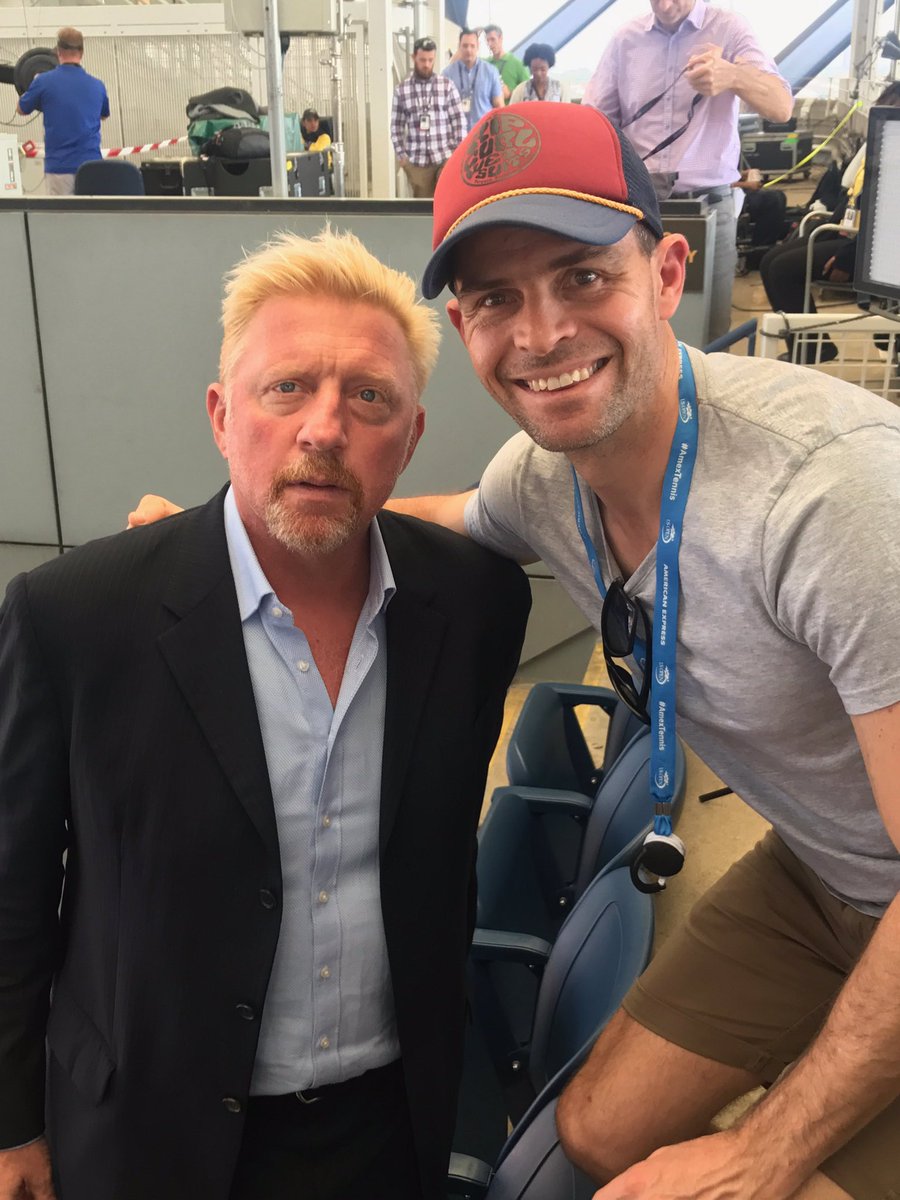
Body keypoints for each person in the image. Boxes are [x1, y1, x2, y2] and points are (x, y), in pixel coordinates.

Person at [381, 100, 898, 1200]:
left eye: (581, 277)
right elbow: (448, 516)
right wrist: (238, 522)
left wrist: (766, 1153)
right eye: (494, 300)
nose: (541, 335)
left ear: (667, 274)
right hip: (825, 875)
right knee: (602, 1136)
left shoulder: (828, 497)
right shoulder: (540, 479)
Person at [0, 229, 530, 1200]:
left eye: (368, 396)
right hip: (144, 1133)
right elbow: (12, 892)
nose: (324, 428)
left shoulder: (477, 605)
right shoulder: (76, 617)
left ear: (409, 437)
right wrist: (10, 1125)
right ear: (221, 414)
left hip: (387, 1124)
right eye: (286, 387)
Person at [583, 0, 792, 343]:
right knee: (634, 322)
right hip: (640, 207)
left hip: (710, 207)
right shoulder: (625, 40)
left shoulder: (729, 28)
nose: (664, 4)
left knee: (710, 331)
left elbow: (781, 106)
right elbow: (595, 125)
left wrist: (733, 75)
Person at [759, 81, 900, 364]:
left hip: (873, 249)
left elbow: (889, 225)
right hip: (851, 234)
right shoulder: (879, 152)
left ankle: (812, 349)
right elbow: (853, 201)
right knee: (769, 260)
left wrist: (846, 258)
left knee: (784, 270)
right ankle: (811, 346)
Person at [16, 27, 109, 196]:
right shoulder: (98, 85)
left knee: (62, 219)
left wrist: (38, 91)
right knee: (93, 218)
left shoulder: (43, 82)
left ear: (58, 51)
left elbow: (21, 109)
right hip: (93, 168)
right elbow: (104, 115)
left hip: (60, 169)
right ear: (81, 52)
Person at [391, 37, 465, 198]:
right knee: (424, 211)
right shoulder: (402, 91)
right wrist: (402, 158)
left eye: (430, 60)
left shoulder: (446, 86)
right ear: (414, 58)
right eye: (422, 60)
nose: (426, 64)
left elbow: (458, 120)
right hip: (417, 163)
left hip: (444, 158)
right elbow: (396, 127)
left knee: (446, 202)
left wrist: (456, 152)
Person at [443, 29, 503, 132]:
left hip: (484, 134)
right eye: (465, 46)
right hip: (457, 136)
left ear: (478, 46)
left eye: (472, 46)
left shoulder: (491, 72)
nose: (469, 50)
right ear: (459, 46)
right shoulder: (447, 74)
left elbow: (499, 106)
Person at [483, 25, 529, 103]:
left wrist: (511, 94)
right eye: (488, 40)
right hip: (489, 113)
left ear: (501, 38)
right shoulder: (484, 64)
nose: (490, 44)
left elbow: (529, 91)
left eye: (493, 39)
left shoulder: (517, 63)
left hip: (509, 113)